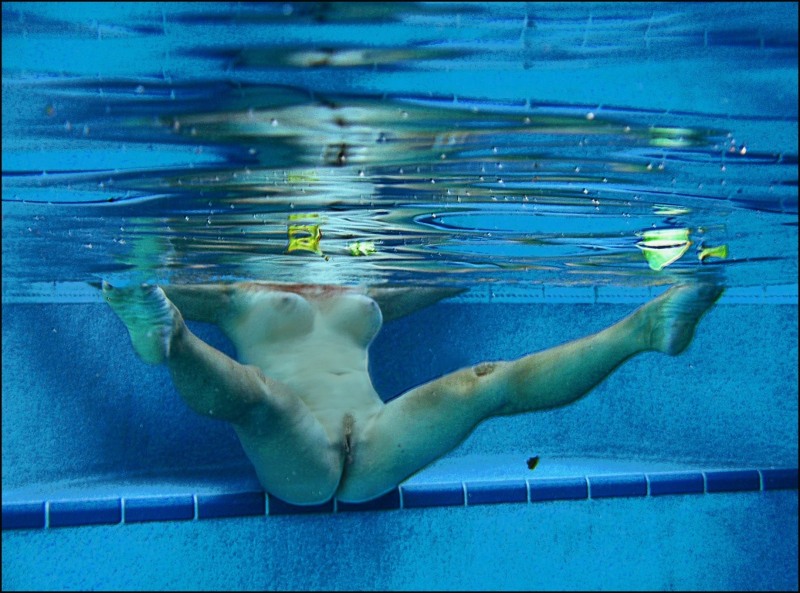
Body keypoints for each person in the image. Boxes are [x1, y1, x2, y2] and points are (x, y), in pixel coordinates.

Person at [101, 280, 722, 505]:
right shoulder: (238, 288)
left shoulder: (365, 286)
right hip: (297, 462)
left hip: (377, 446)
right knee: (263, 397)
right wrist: (138, 285)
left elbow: (456, 272)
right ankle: (168, 336)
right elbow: (152, 275)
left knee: (481, 384)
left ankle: (643, 330)